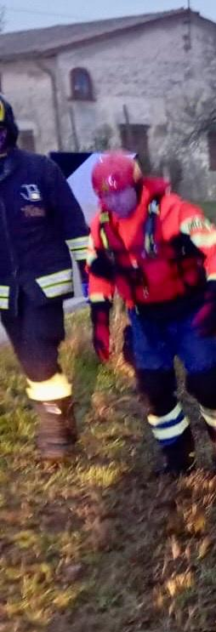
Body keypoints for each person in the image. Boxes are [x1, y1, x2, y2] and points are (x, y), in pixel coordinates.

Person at [84, 152, 216, 477]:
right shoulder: (102, 226)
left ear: (137, 185)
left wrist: (212, 303)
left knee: (208, 385)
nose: (114, 201)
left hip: (190, 311)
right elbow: (97, 273)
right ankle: (178, 455)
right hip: (145, 319)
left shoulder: (176, 213)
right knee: (154, 389)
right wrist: (99, 321)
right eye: (106, 196)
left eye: (120, 192)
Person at [0, 94, 91, 460]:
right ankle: (63, 415)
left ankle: (54, 435)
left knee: (40, 355)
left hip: (44, 286)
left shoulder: (40, 170)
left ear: (8, 130)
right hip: (5, 293)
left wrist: (90, 277)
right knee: (31, 362)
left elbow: (74, 225)